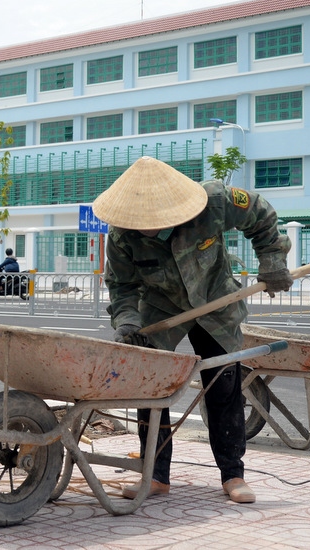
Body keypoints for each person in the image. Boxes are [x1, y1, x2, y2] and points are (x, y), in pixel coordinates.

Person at [91, 156, 293, 504]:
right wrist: (127, 322)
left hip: (216, 301)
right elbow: (122, 287)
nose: (145, 228)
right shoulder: (123, 236)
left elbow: (261, 215)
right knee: (151, 384)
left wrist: (272, 261)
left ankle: (233, 474)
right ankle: (155, 475)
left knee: (224, 385)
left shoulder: (213, 202)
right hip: (161, 307)